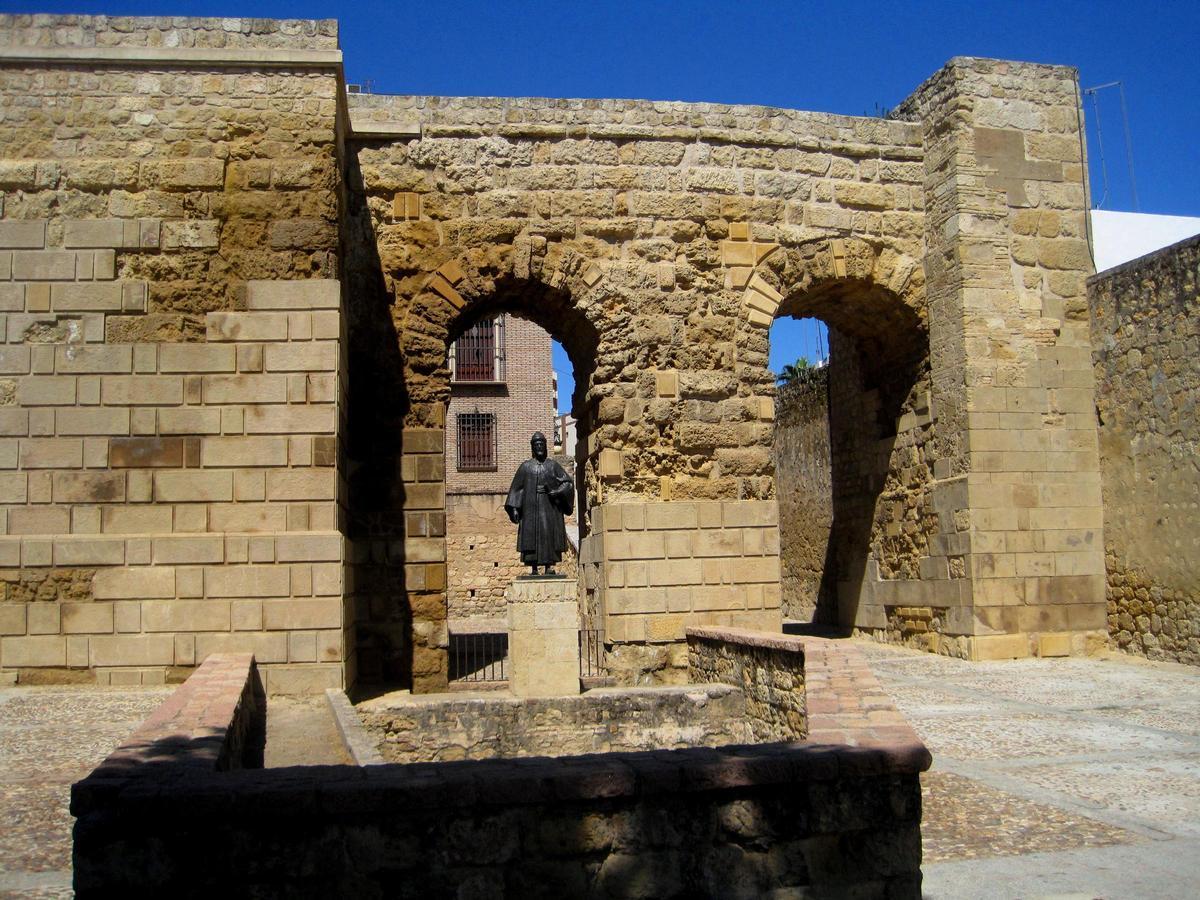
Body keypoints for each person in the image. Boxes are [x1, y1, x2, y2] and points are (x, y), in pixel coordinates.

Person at [504, 432, 574, 574]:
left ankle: (548, 567)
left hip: (549, 508)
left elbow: (568, 483)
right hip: (530, 508)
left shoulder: (553, 465)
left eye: (542, 444)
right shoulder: (525, 467)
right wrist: (515, 509)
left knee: (548, 534)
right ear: (533, 447)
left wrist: (557, 492)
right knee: (530, 535)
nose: (539, 447)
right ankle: (533, 568)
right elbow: (516, 488)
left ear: (545, 446)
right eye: (537, 445)